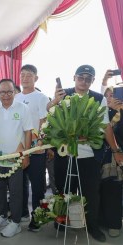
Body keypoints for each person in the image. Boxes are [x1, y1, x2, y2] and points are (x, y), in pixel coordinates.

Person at [51, 65, 123, 242]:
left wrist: (115, 150)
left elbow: (105, 126)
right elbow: (49, 113)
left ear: (93, 80)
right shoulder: (64, 93)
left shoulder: (98, 98)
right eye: (81, 77)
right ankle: (62, 221)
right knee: (64, 190)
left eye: (88, 78)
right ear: (74, 77)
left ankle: (92, 225)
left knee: (91, 193)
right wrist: (53, 101)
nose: (84, 81)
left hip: (90, 155)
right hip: (65, 154)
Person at [0, 79, 32, 237]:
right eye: (2, 92)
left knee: (15, 191)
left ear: (15, 92)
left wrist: (26, 155)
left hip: (16, 158)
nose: (6, 95)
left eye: (9, 92)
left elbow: (28, 132)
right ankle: (2, 215)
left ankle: (16, 222)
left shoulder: (23, 108)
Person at [14, 64, 50, 231]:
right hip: (19, 149)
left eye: (29, 75)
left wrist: (40, 144)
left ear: (36, 78)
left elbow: (44, 123)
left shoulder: (41, 98)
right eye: (22, 74)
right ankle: (22, 213)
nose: (25, 77)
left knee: (37, 186)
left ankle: (38, 217)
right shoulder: (16, 97)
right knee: (20, 184)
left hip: (36, 150)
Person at [99, 75, 123, 238]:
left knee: (115, 191)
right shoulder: (103, 113)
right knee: (103, 190)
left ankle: (114, 224)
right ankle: (103, 221)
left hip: (119, 160)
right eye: (106, 95)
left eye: (112, 95)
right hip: (102, 159)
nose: (109, 98)